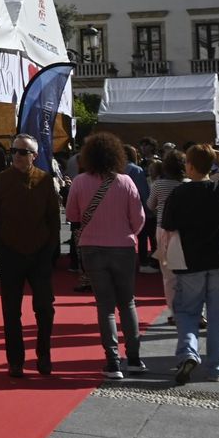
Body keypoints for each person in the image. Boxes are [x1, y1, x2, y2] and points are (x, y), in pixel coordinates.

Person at [162, 144, 219, 383]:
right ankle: (216, 366)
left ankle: (189, 352)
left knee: (188, 310)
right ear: (210, 165)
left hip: (191, 261)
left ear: (189, 166)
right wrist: (217, 154)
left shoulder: (179, 193)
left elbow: (168, 225)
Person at [66, 132, 146, 379]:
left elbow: (72, 215)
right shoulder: (126, 181)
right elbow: (139, 219)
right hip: (123, 247)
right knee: (127, 303)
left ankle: (112, 362)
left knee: (105, 306)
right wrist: (126, 233)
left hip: (92, 248)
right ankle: (134, 358)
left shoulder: (79, 181)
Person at [0, 134, 60, 377]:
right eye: (14, 150)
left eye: (23, 152)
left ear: (34, 156)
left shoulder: (45, 180)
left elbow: (53, 219)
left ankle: (44, 356)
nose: (17, 155)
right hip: (10, 254)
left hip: (39, 254)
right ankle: (15, 361)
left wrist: (50, 250)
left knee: (45, 308)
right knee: (11, 311)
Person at [148, 151, 186, 324]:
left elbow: (150, 204)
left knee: (168, 274)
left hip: (163, 228)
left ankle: (173, 311)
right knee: (190, 272)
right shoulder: (188, 184)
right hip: (186, 230)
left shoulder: (159, 184)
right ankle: (196, 309)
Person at [125, 145, 154, 270]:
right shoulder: (136, 169)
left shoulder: (113, 169)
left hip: (121, 208)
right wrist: (148, 209)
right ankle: (144, 262)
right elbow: (142, 191)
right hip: (137, 207)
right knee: (143, 236)